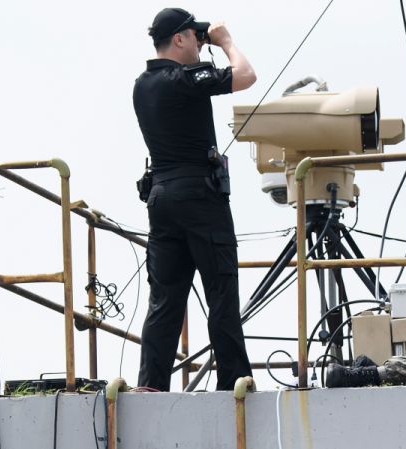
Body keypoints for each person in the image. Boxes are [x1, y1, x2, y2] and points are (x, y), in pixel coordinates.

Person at [133, 7, 257, 392]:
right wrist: (225, 41)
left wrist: (206, 45)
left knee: (165, 300)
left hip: (161, 199)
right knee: (220, 289)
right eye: (194, 37)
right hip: (199, 198)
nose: (200, 45)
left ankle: (151, 385)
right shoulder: (182, 79)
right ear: (180, 39)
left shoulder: (142, 84)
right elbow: (246, 75)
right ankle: (233, 380)